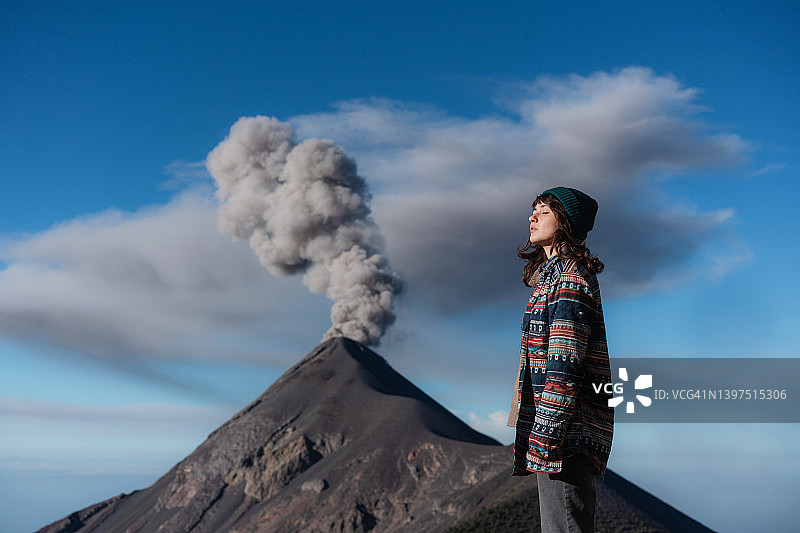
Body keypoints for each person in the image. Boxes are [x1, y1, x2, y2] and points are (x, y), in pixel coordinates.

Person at [507, 186, 614, 533]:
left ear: (566, 222)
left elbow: (565, 365)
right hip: (560, 430)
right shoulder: (551, 277)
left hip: (565, 433)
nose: (532, 217)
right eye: (533, 209)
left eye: (544, 211)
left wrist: (546, 434)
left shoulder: (568, 277)